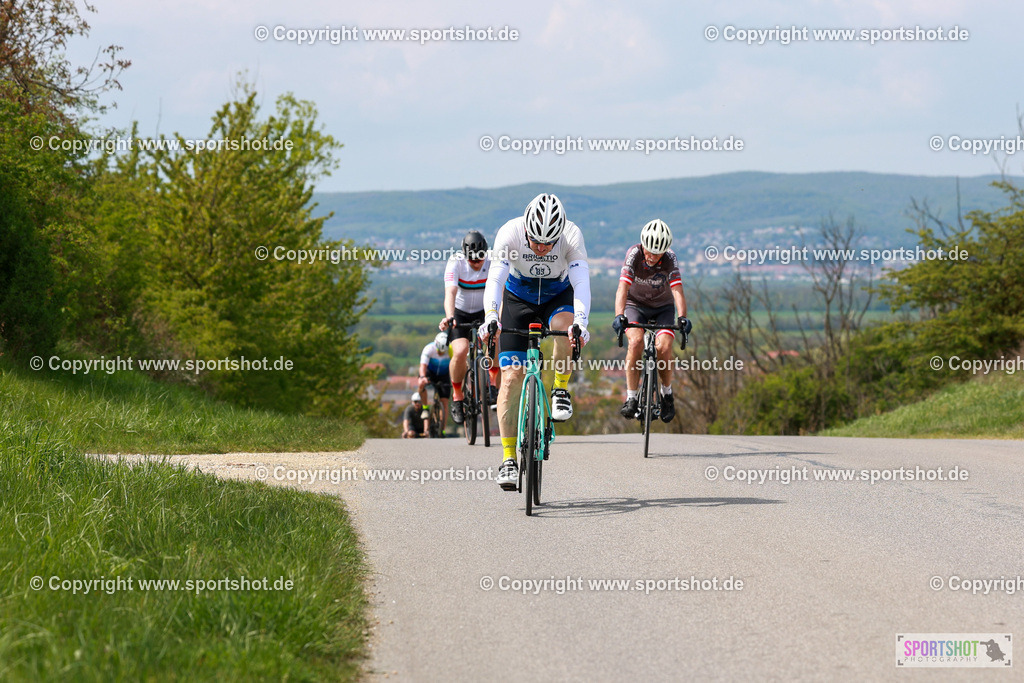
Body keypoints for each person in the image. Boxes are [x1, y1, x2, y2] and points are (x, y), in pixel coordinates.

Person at [479, 193, 591, 490]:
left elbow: (581, 283)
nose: (541, 249)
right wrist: (491, 316)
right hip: (518, 298)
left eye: (548, 243)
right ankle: (507, 458)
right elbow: (495, 279)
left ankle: (560, 389)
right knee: (512, 378)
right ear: (526, 230)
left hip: (558, 296)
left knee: (564, 327)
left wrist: (581, 322)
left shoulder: (571, 236)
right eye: (536, 242)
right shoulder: (509, 233)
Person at [612, 219, 689, 423]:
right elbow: (622, 288)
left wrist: (682, 317)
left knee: (664, 347)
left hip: (663, 308)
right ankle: (631, 398)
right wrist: (619, 315)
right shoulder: (634, 254)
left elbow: (677, 290)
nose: (651, 256)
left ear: (665, 250)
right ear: (642, 244)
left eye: (657, 253)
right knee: (636, 341)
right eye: (648, 250)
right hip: (635, 305)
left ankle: (667, 394)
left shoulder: (670, 258)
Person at [438, 230, 498, 424]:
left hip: (484, 311)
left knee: (494, 341)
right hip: (460, 312)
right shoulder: (455, 262)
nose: (476, 262)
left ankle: (493, 385)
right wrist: (450, 316)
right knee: (461, 351)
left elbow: (501, 292)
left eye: (480, 258)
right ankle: (457, 397)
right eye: (471, 259)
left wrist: (497, 319)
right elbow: (450, 293)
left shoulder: (493, 262)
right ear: (465, 256)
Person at [418, 331, 452, 436]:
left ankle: (442, 429)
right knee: (421, 384)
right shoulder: (429, 349)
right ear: (436, 345)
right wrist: (423, 377)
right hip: (430, 372)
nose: (441, 353)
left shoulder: (451, 350)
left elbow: (456, 365)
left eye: (443, 352)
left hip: (444, 374)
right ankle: (425, 408)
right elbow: (423, 366)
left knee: (444, 402)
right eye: (439, 351)